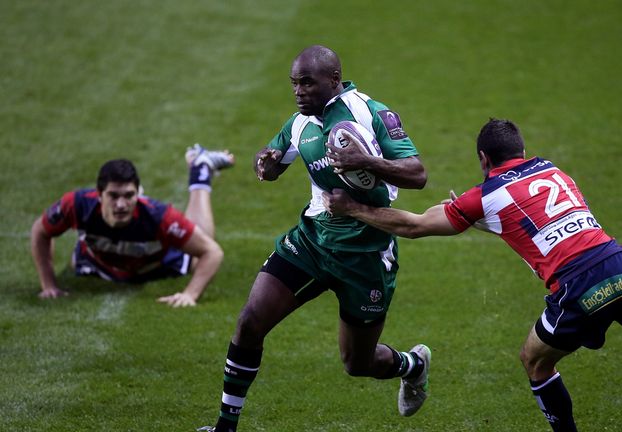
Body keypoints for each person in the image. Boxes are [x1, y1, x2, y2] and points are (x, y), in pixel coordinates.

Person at [322, 118, 622, 432]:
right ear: (522, 149)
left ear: (483, 159)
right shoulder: (552, 169)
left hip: (579, 286)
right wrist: (486, 217)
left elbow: (413, 225)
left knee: (535, 362)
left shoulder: (484, 196)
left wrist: (352, 208)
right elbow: (538, 218)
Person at [198, 45, 430, 432]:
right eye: (294, 83)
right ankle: (225, 427)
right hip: (311, 242)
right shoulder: (299, 123)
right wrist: (266, 164)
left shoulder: (371, 113)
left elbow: (417, 174)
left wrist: (365, 162)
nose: (298, 91)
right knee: (250, 323)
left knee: (357, 363)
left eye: (307, 82)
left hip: (365, 253)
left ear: (334, 80)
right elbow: (272, 159)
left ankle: (412, 365)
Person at [30, 144, 234, 307]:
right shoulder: (76, 204)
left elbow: (213, 252)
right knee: (77, 262)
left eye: (129, 196)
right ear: (99, 194)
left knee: (200, 253)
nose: (121, 204)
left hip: (156, 265)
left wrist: (190, 294)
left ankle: (201, 169)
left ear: (138, 194)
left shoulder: (159, 216)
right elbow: (40, 231)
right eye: (113, 196)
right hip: (98, 264)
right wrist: (48, 285)